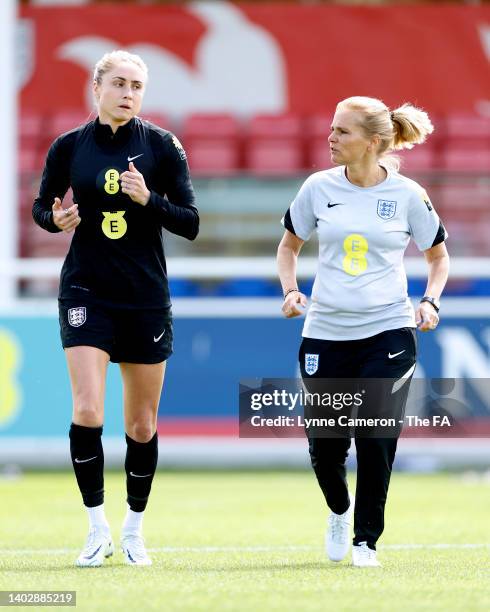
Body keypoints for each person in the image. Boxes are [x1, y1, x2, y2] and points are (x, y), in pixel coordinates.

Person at [32, 50, 199, 567]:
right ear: (97, 87)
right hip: (86, 291)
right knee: (86, 409)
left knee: (142, 424)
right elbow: (41, 206)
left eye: (138, 86)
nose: (129, 93)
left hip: (144, 297)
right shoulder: (68, 147)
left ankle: (133, 529)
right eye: (120, 83)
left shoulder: (162, 147)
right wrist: (54, 221)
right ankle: (96, 528)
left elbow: (191, 221)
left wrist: (149, 199)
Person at [277, 96, 449, 567]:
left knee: (377, 437)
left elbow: (437, 256)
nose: (330, 139)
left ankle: (365, 540)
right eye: (332, 129)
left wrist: (430, 300)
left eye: (342, 132)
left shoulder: (409, 196)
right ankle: (338, 510)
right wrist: (291, 291)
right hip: (325, 331)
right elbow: (289, 246)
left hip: (389, 331)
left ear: (373, 142)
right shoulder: (317, 188)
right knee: (326, 448)